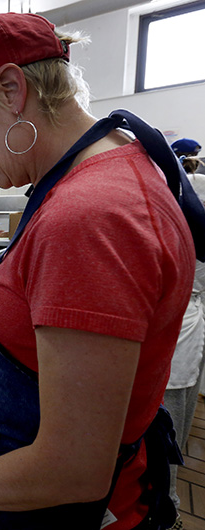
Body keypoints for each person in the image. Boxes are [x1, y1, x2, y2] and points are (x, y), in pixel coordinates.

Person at [0, 13, 204, 530]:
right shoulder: (114, 165)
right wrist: (8, 367)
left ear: (12, 89)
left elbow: (72, 468)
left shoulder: (88, 217)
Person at [163, 138, 205, 527]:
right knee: (173, 432)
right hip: (188, 325)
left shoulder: (180, 196)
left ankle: (168, 512)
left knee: (165, 438)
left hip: (177, 334)